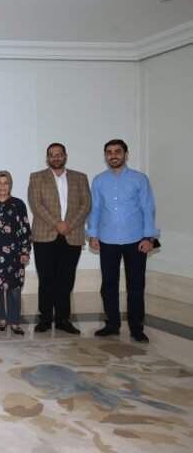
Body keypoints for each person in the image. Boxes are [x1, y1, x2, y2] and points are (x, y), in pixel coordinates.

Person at [88, 139, 159, 344]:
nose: (113, 156)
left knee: (135, 285)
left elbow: (148, 208)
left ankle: (137, 328)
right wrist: (93, 234)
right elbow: (95, 209)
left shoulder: (140, 179)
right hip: (108, 239)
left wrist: (148, 238)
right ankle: (112, 325)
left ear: (126, 154)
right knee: (108, 285)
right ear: (105, 156)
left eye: (117, 152)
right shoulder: (99, 181)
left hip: (135, 240)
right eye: (109, 152)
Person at [27, 143, 91, 335]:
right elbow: (36, 204)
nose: (55, 157)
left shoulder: (80, 178)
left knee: (66, 280)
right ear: (47, 158)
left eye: (59, 154)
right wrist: (57, 224)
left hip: (72, 234)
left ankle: (63, 319)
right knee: (46, 279)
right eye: (52, 155)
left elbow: (86, 204)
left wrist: (68, 224)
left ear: (65, 156)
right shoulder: (37, 177)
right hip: (44, 235)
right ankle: (45, 319)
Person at [0, 172, 32, 335]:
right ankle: (1, 319)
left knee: (14, 290)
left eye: (6, 183)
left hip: (14, 255)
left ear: (10, 185)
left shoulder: (18, 204)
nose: (2, 186)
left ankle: (14, 322)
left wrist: (25, 251)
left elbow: (25, 229)